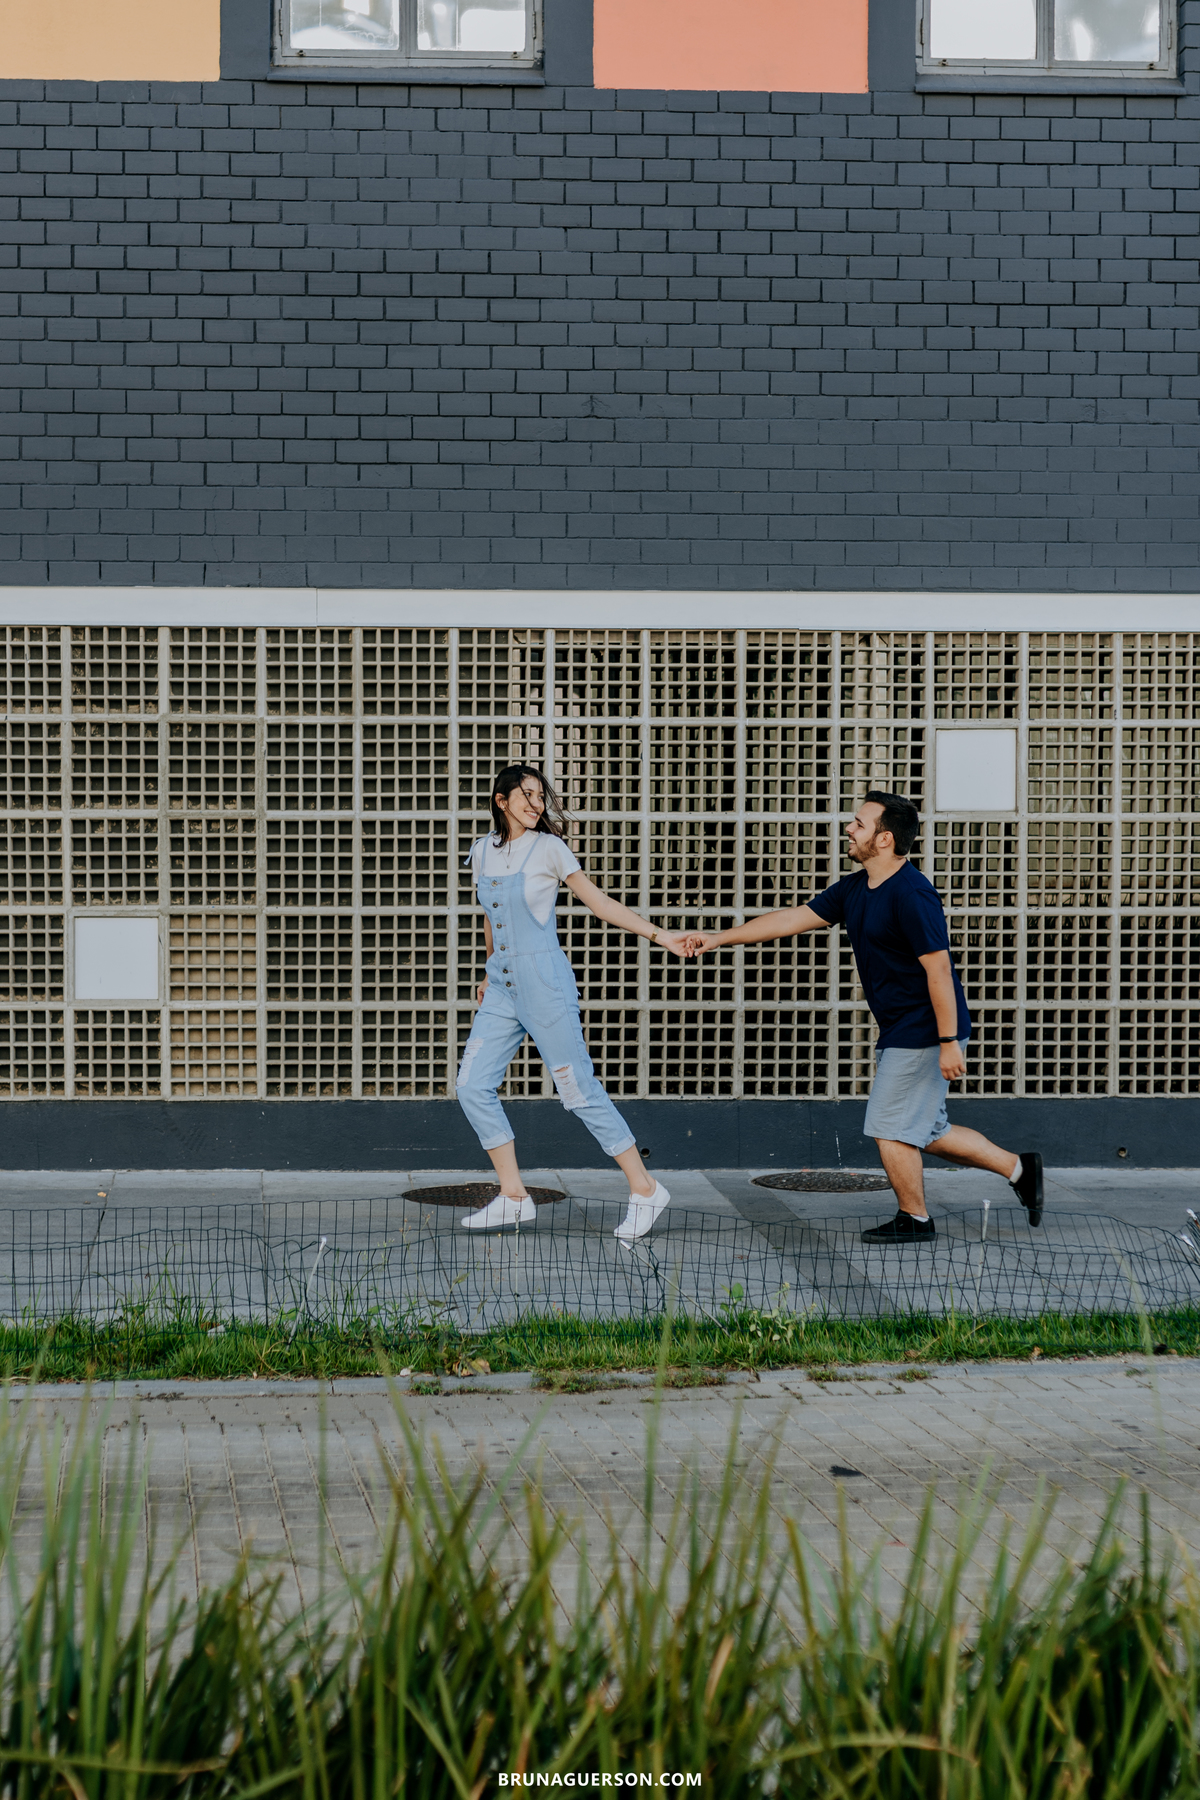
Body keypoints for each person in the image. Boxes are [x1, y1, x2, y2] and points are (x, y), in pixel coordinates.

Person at [687, 792, 1043, 1243]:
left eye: (859, 823)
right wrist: (718, 939)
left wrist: (949, 1040)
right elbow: (792, 919)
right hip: (901, 1027)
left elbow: (939, 970)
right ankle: (1020, 1169)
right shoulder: (856, 888)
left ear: (884, 838)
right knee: (927, 1130)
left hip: (923, 1029)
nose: (849, 829)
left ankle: (915, 1219)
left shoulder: (913, 894)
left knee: (889, 1126)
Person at [456, 763, 689, 1242]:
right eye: (526, 794)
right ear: (501, 800)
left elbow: (601, 904)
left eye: (540, 796)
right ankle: (514, 1196)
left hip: (545, 983)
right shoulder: (481, 850)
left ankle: (645, 1189)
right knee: (471, 1085)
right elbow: (488, 916)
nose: (536, 803)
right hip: (502, 986)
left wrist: (661, 935)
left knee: (577, 1089)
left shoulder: (549, 848)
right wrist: (488, 969)